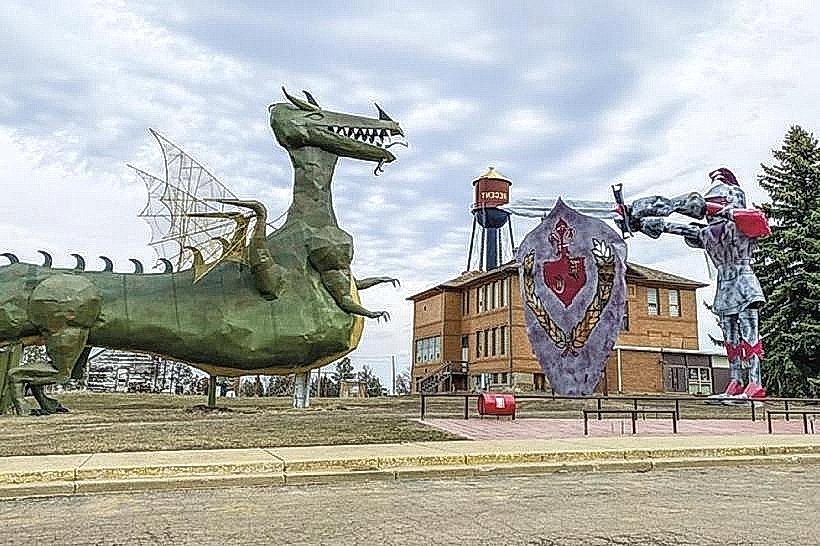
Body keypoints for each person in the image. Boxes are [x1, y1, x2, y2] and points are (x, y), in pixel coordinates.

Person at [619, 168, 770, 401]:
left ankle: (755, 383)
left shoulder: (742, 225)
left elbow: (757, 222)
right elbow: (675, 228)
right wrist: (640, 220)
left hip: (744, 281)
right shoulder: (711, 233)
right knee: (730, 338)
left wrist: (705, 206)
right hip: (725, 284)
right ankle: (736, 381)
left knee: (750, 335)